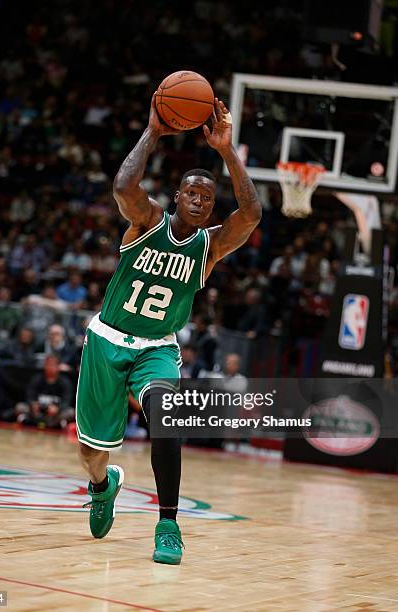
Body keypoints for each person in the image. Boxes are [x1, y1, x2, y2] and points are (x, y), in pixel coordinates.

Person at [76, 95, 261, 565]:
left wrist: (226, 151)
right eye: (192, 193)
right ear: (177, 197)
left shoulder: (210, 246)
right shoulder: (147, 222)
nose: (200, 200)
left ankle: (168, 524)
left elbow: (252, 214)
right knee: (91, 453)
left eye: (207, 197)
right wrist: (155, 131)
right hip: (107, 341)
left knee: (166, 418)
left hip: (157, 349)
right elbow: (123, 186)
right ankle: (104, 486)